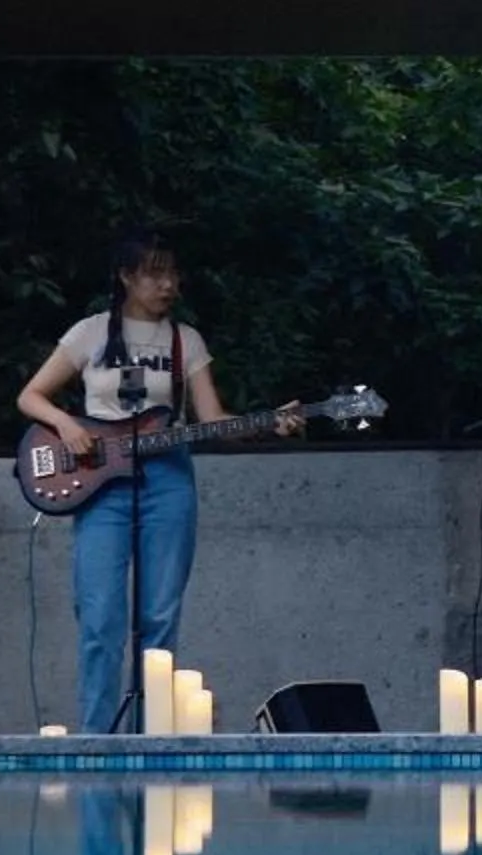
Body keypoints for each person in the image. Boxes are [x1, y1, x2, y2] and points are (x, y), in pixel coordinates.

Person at [16, 229, 297, 732]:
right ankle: (96, 737)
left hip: (167, 479)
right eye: (154, 273)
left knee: (160, 618)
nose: (168, 284)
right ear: (126, 276)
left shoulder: (185, 340)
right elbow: (31, 396)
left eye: (172, 273)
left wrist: (266, 423)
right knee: (100, 618)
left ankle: (153, 733)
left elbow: (211, 420)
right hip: (101, 486)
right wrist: (68, 425)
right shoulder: (90, 332)